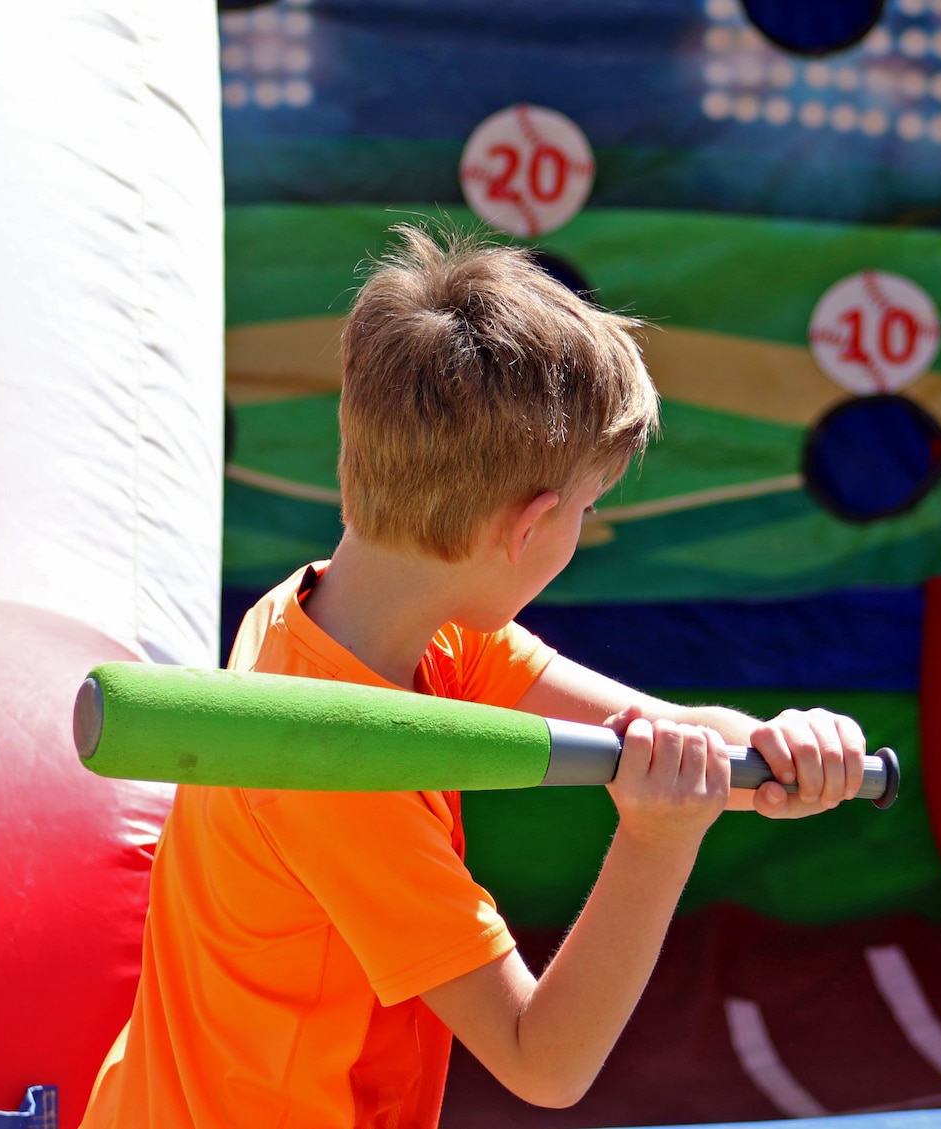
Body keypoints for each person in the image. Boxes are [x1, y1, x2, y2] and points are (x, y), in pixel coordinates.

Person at [80, 226, 868, 1129]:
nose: (584, 530)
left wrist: (778, 746)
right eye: (588, 509)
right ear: (526, 529)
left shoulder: (368, 615)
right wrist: (657, 844)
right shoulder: (331, 771)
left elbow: (659, 727)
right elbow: (546, 1059)